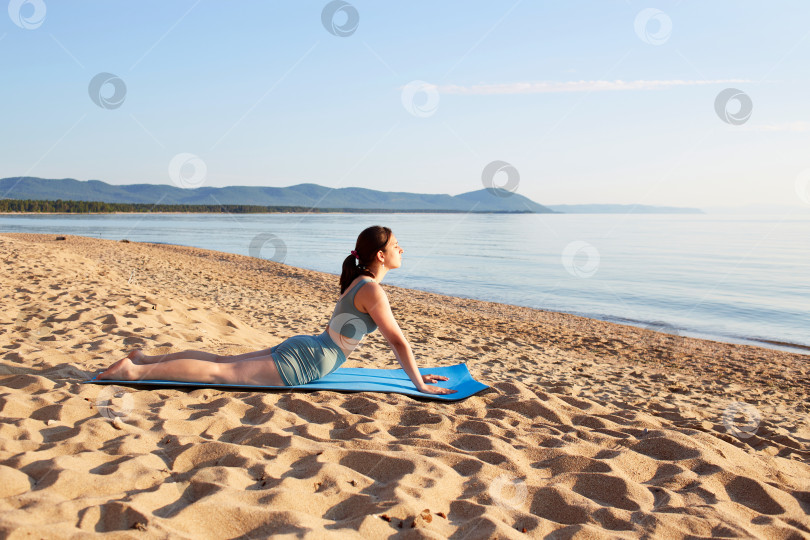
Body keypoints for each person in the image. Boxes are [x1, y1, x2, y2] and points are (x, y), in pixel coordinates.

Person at [97, 226, 457, 396]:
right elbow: (398, 342)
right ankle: (133, 368)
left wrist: (421, 374)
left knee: (223, 361)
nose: (401, 250)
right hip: (308, 361)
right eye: (397, 246)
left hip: (308, 347)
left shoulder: (360, 281)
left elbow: (398, 344)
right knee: (219, 373)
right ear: (380, 255)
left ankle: (146, 359)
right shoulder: (373, 290)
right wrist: (420, 383)